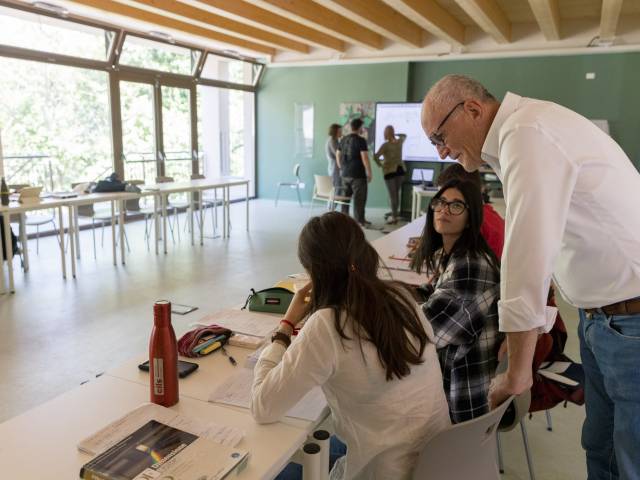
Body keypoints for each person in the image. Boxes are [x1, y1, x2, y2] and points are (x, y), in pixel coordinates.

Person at [421, 74, 640, 479]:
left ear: (471, 109)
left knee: (628, 458)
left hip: (629, 324)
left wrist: (518, 372)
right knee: (603, 447)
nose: (442, 150)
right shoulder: (523, 132)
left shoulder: (526, 133)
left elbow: (529, 256)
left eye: (440, 136)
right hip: (604, 320)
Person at [251, 211, 450, 480]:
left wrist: (285, 327)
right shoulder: (401, 296)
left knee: (273, 470)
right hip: (439, 462)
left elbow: (263, 407)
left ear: (314, 273)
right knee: (327, 440)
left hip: (386, 470)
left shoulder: (327, 324)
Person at [410, 179, 502, 423]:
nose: (444, 210)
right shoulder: (454, 255)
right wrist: (388, 294)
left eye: (456, 205)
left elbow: (426, 331)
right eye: (440, 202)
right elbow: (431, 295)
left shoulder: (471, 266)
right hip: (447, 381)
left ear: (471, 217)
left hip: (458, 401)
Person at [436, 162, 504, 258]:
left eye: (452, 203)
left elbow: (456, 256)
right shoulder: (488, 213)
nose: (444, 209)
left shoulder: (475, 221)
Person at [336, 118, 372, 227]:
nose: (363, 129)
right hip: (358, 175)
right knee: (359, 199)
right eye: (362, 127)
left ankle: (343, 221)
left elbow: (338, 154)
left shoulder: (343, 139)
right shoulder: (361, 140)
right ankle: (359, 221)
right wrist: (369, 172)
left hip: (345, 174)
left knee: (345, 199)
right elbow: (365, 157)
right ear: (360, 128)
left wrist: (340, 166)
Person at [374, 125, 406, 224]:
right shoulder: (400, 142)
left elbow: (375, 156)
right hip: (401, 171)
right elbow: (404, 135)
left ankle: (394, 216)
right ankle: (394, 214)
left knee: (393, 195)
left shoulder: (385, 145)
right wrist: (395, 134)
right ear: (392, 132)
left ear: (385, 134)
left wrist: (381, 165)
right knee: (396, 194)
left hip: (389, 171)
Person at [326, 123, 343, 191]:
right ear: (335, 131)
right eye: (339, 131)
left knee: (335, 190)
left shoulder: (335, 140)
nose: (341, 132)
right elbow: (338, 154)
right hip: (334, 169)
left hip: (334, 168)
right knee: (335, 191)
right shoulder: (332, 141)